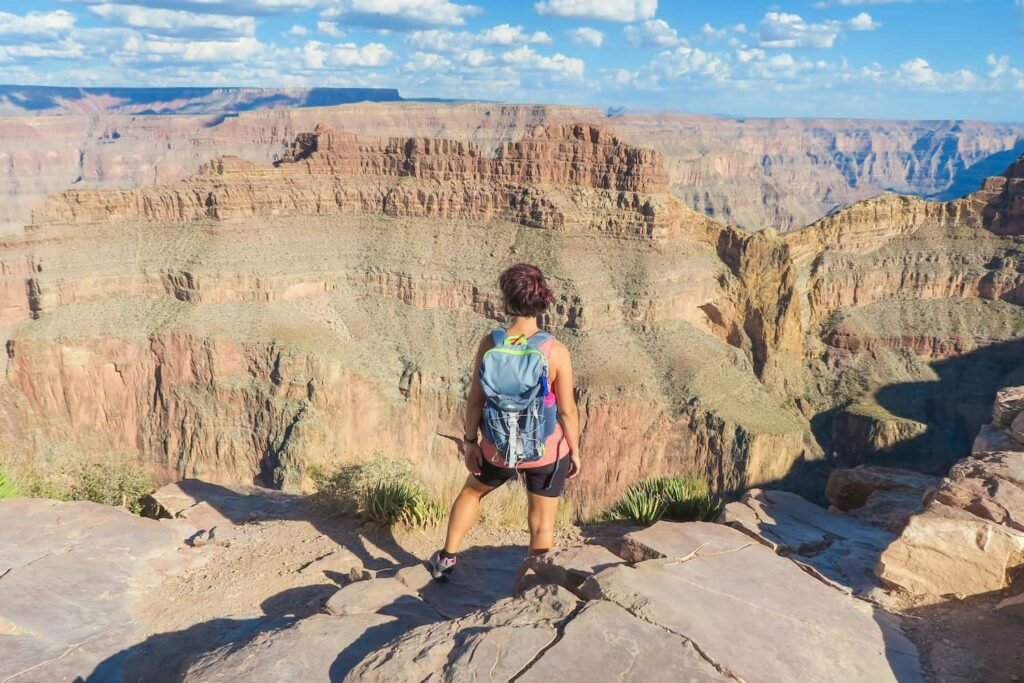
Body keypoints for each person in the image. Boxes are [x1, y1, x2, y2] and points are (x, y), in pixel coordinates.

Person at [429, 263, 581, 581]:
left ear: (507, 302)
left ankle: (445, 559)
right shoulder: (555, 351)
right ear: (543, 301)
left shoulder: (491, 343)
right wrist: (575, 450)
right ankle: (533, 583)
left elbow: (475, 400)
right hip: (545, 451)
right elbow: (567, 410)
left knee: (472, 492)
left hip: (498, 447)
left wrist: (471, 442)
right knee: (542, 524)